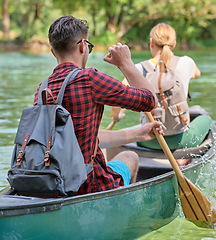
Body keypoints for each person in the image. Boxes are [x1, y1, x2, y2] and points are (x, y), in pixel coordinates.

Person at [33, 16, 163, 195]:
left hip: (52, 181)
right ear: (82, 46)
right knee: (129, 156)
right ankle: (123, 212)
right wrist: (125, 63)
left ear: (53, 52)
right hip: (88, 184)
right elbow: (149, 100)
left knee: (122, 155)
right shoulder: (89, 79)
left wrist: (138, 134)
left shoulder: (43, 89)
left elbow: (79, 137)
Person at [111, 23, 211, 157]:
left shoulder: (137, 69)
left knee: (139, 127)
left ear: (151, 43)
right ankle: (184, 158)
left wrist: (117, 116)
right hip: (180, 141)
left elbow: (116, 102)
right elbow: (197, 74)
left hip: (147, 141)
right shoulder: (186, 62)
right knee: (205, 118)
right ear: (174, 44)